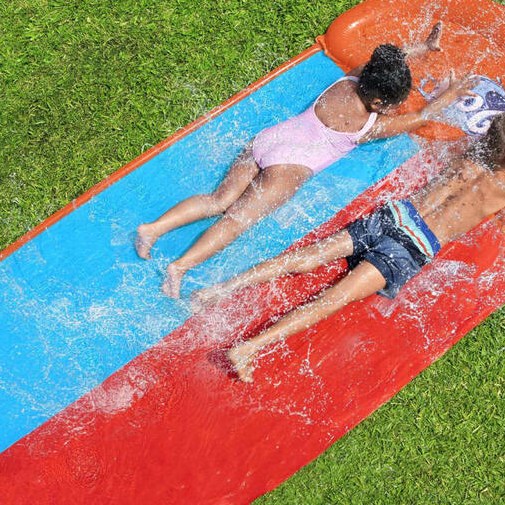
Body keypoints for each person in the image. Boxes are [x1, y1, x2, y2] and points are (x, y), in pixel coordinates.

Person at [191, 52, 505, 382]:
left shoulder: (477, 151)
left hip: (396, 214)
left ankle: (215, 289)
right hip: (411, 248)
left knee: (305, 258)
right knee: (332, 299)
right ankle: (248, 347)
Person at [137, 22, 475, 298]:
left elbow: (389, 62)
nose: (397, 109)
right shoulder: (369, 125)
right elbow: (422, 116)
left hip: (268, 141)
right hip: (286, 171)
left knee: (218, 200)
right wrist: (452, 94)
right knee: (235, 221)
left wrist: (422, 48)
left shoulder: (355, 76)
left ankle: (154, 228)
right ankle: (179, 268)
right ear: (376, 103)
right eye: (393, 104)